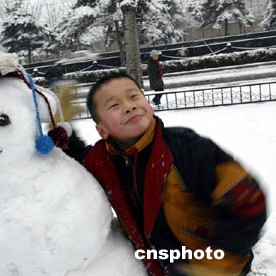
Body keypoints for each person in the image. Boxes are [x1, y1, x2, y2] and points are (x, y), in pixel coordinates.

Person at [63, 72, 267, 276]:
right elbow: (79, 158)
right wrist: (62, 124)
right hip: (162, 266)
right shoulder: (103, 161)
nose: (129, 106)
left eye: (134, 96)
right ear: (102, 131)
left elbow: (249, 204)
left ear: (148, 104)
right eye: (114, 105)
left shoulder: (188, 149)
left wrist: (215, 263)